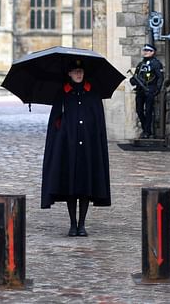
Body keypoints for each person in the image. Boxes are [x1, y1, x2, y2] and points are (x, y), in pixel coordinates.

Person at [41, 59, 111, 237]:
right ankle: (72, 224)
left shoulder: (93, 94)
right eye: (75, 71)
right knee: (71, 187)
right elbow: (54, 124)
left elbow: (98, 124)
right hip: (68, 147)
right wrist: (63, 129)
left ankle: (82, 224)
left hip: (88, 147)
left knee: (86, 186)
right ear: (69, 74)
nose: (78, 74)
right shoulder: (62, 95)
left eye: (80, 71)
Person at [130, 43, 164, 138]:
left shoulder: (156, 64)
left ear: (153, 52)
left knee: (148, 111)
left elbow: (160, 77)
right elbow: (135, 77)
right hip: (140, 90)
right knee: (139, 110)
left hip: (150, 89)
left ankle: (147, 131)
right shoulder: (140, 64)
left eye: (148, 51)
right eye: (145, 50)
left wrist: (157, 89)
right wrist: (133, 81)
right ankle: (146, 129)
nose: (145, 52)